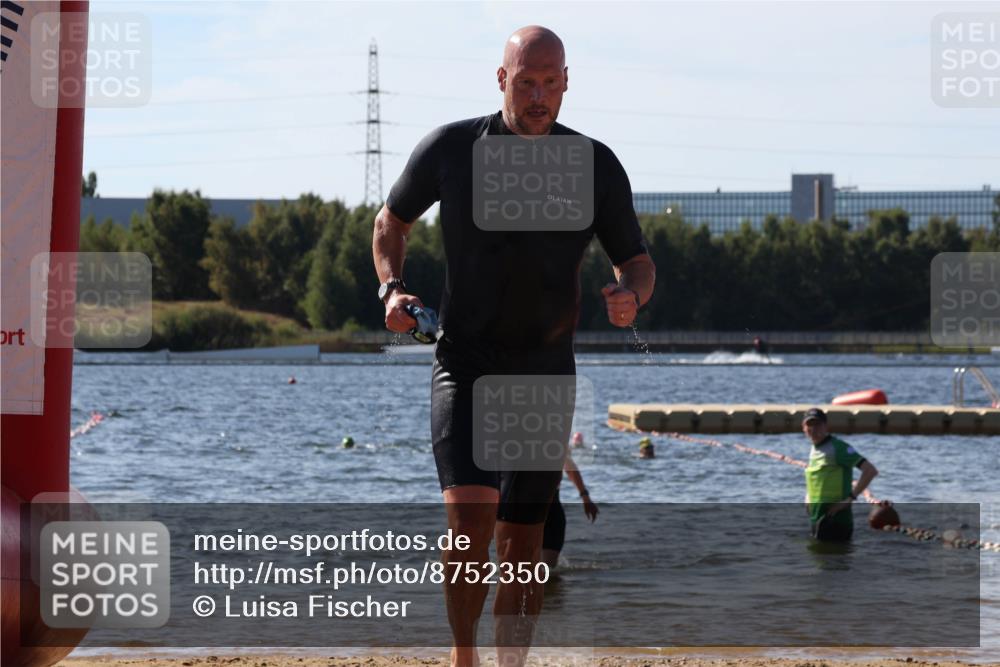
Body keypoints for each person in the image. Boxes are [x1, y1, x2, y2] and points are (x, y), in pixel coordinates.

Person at [372, 25, 655, 667]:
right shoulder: (451, 148)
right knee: (470, 527)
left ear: (565, 83)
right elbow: (391, 222)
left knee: (523, 548)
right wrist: (393, 290)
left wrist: (630, 294)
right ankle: (464, 655)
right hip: (466, 362)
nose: (538, 96)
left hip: (545, 371)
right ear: (501, 79)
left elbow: (637, 261)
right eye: (525, 81)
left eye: (550, 83)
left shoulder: (594, 164)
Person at [802, 408, 878, 541]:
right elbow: (816, 478)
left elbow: (870, 471)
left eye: (818, 424)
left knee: (837, 559)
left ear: (826, 426)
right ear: (804, 428)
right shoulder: (814, 448)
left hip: (837, 520)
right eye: (810, 424)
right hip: (817, 517)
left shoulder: (839, 447)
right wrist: (808, 497)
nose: (813, 428)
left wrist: (849, 499)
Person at [541, 437, 599, 570]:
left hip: (552, 505)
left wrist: (585, 496)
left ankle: (549, 589)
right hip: (523, 506)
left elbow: (569, 467)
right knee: (522, 564)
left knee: (549, 568)